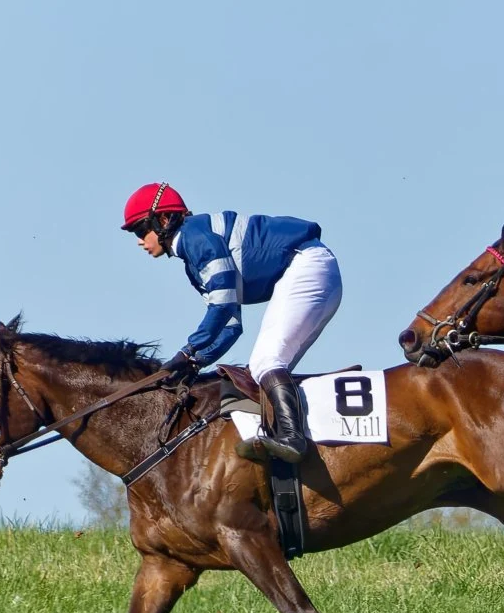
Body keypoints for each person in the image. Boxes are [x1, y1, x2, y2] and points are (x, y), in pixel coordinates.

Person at [121, 182, 342, 463]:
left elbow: (223, 306)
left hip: (307, 265)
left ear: (163, 220)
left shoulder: (195, 237)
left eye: (140, 230)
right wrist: (195, 363)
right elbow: (230, 326)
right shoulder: (192, 263)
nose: (140, 241)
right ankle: (287, 445)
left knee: (266, 362)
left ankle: (292, 439)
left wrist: (187, 351)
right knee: (262, 371)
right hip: (313, 269)